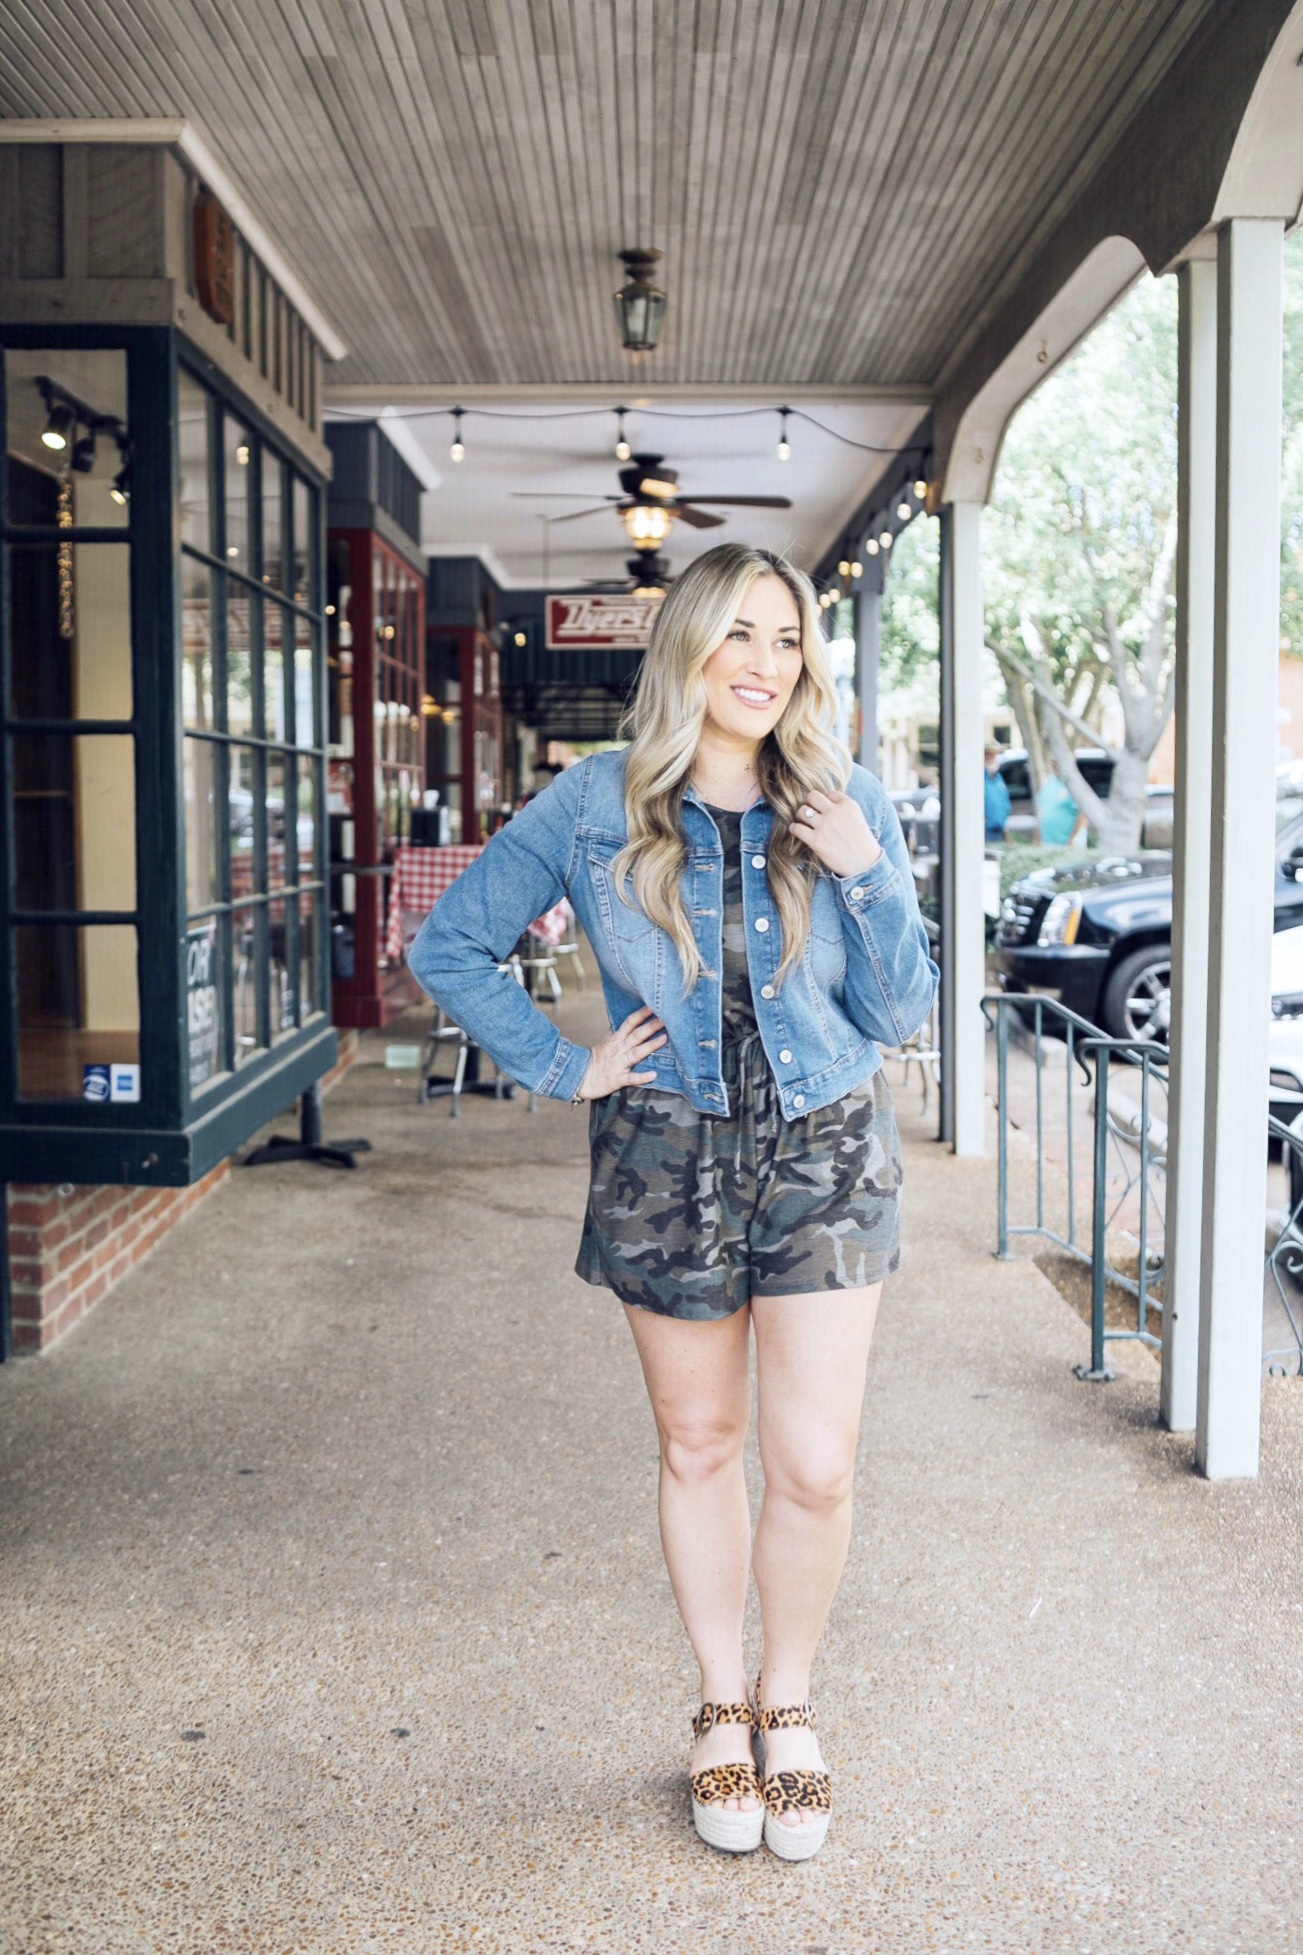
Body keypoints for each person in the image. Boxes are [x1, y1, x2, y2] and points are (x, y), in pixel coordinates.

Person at [409, 544, 938, 1863]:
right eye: (740, 635)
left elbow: (902, 1011)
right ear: (688, 647)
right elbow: (449, 943)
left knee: (812, 1460)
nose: (767, 662)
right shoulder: (594, 801)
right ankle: (716, 1705)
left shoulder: (838, 795)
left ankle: (789, 1703)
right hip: (664, 1150)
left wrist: (866, 867)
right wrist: (564, 1062)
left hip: (824, 1143)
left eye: (788, 638)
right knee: (698, 1442)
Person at [1036, 758, 1087, 847]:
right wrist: (1038, 836)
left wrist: (1073, 839)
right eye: (1052, 763)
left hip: (1069, 845)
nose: (1053, 766)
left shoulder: (1074, 784)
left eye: (1056, 763)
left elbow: (1083, 816)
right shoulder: (1048, 782)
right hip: (1049, 844)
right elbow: (1041, 810)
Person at [984, 744, 1011, 842]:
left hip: (1000, 830)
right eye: (988, 756)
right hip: (985, 831)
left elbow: (1005, 803)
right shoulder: (980, 779)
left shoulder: (999, 778)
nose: (992, 759)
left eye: (994, 755)